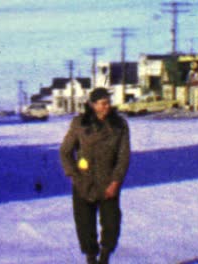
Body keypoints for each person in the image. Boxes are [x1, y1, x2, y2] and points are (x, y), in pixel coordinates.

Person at [60, 88, 130, 264]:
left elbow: (124, 156)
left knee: (112, 224)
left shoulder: (119, 125)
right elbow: (65, 152)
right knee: (85, 225)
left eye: (108, 102)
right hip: (85, 183)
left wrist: (115, 181)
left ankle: (105, 257)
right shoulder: (80, 123)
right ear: (93, 105)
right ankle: (91, 258)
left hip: (108, 182)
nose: (107, 106)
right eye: (102, 103)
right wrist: (74, 176)